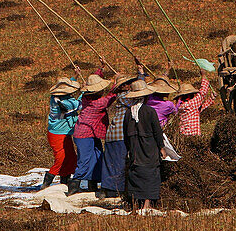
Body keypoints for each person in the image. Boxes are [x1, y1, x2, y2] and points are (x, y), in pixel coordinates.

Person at [100, 64, 145, 199]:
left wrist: (140, 72)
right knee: (120, 162)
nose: (129, 85)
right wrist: (141, 76)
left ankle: (107, 188)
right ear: (123, 87)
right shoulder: (125, 96)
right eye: (127, 84)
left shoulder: (120, 96)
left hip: (113, 133)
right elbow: (140, 94)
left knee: (110, 161)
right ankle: (115, 189)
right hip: (120, 134)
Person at [122, 79, 165, 212]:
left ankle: (137, 203)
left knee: (137, 173)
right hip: (149, 147)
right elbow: (157, 131)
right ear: (146, 97)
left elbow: (125, 134)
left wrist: (129, 148)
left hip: (135, 148)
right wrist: (161, 147)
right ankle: (147, 204)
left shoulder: (128, 113)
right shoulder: (149, 111)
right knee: (151, 173)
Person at [69, 73, 115, 195]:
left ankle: (93, 183)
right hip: (84, 135)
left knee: (98, 157)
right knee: (85, 160)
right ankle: (74, 185)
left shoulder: (85, 97)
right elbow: (110, 98)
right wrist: (117, 85)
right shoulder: (97, 103)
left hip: (92, 133)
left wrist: (101, 70)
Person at [43, 77, 81, 189]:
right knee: (61, 158)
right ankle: (48, 180)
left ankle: (65, 179)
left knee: (70, 156)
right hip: (58, 134)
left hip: (64, 133)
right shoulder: (65, 103)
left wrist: (75, 77)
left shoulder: (54, 97)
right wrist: (84, 92)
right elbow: (80, 104)